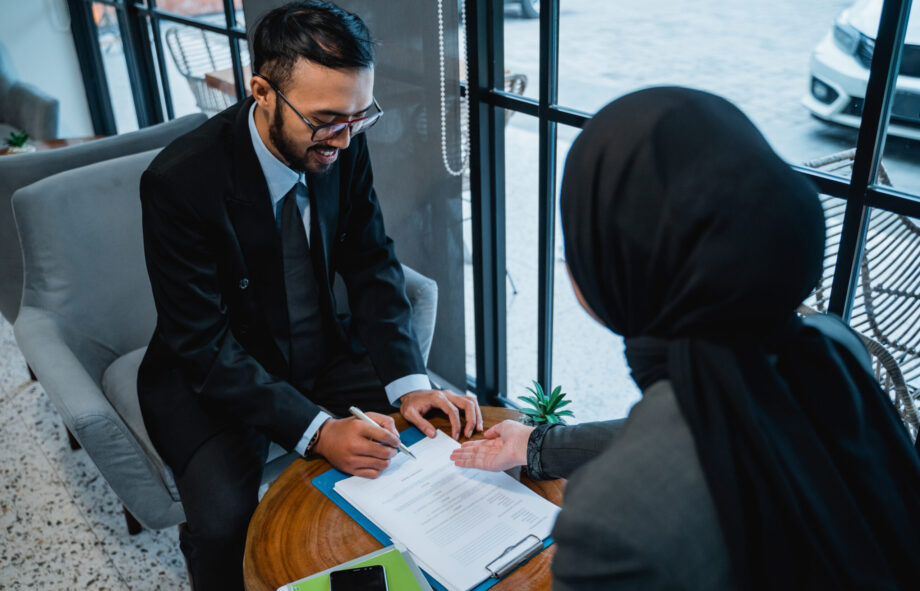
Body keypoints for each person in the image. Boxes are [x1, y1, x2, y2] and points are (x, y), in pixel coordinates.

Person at [451, 87, 920, 590]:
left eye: (579, 240)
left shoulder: (612, 522)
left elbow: (676, 451)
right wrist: (537, 445)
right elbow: (705, 424)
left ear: (618, 268)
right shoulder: (832, 347)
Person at [138, 2, 481, 588]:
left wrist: (409, 381)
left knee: (436, 440)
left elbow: (372, 260)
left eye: (358, 117)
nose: (344, 141)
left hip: (319, 352)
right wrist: (319, 432)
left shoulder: (340, 136)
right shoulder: (178, 182)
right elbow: (201, 344)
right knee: (224, 527)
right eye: (326, 120)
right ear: (261, 91)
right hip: (216, 377)